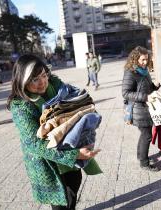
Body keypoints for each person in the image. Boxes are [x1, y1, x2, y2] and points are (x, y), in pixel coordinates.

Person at [7, 54, 101, 210]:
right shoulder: (20, 106)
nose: (42, 82)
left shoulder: (56, 85)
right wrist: (75, 155)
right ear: (22, 80)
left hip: (70, 151)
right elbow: (34, 144)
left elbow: (76, 103)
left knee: (72, 191)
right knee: (59, 204)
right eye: (34, 79)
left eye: (43, 75)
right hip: (49, 163)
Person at [122, 46, 160, 172]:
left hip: (145, 107)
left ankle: (140, 156)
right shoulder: (131, 72)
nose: (145, 62)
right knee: (147, 135)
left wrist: (155, 87)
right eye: (142, 60)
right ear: (135, 59)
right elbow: (126, 93)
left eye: (146, 59)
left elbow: (147, 88)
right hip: (138, 109)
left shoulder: (144, 71)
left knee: (144, 134)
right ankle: (144, 163)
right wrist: (146, 97)